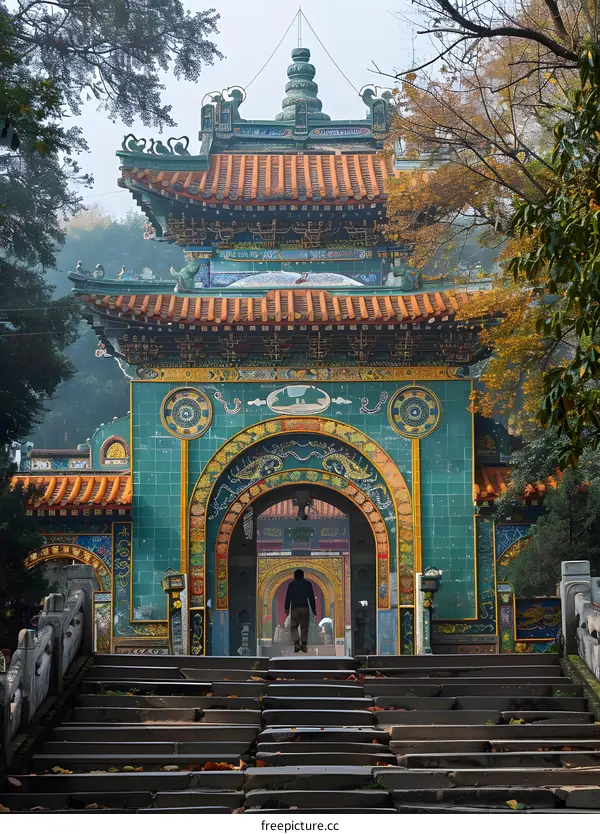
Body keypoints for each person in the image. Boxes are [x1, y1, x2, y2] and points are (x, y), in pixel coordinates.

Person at [284, 569, 316, 653]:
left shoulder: (291, 585)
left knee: (293, 626)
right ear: (303, 575)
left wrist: (286, 608)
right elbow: (311, 597)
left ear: (295, 576)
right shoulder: (307, 584)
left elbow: (288, 597)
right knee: (304, 627)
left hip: (295, 607)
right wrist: (313, 609)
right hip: (305, 607)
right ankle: (304, 644)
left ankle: (296, 643)